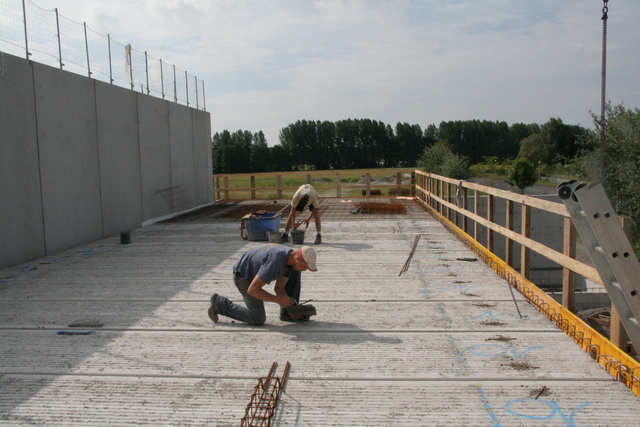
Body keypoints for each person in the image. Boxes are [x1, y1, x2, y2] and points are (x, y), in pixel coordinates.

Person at [208, 244, 318, 325]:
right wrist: (279, 300)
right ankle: (220, 304)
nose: (306, 270)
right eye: (306, 267)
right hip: (243, 277)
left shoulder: (291, 260)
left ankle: (287, 313)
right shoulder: (275, 262)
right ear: (298, 259)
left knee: (295, 272)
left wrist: (289, 305)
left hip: (256, 273)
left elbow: (279, 288)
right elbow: (253, 289)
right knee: (257, 319)